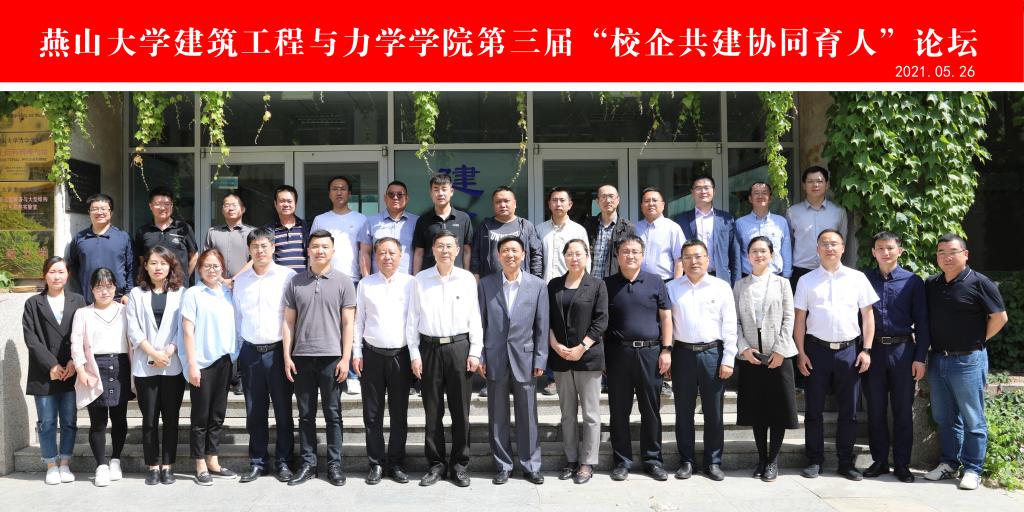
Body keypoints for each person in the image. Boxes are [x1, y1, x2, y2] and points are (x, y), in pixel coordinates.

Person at [923, 233, 1007, 491]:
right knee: (944, 417)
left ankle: (973, 469)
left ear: (965, 254)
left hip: (968, 360)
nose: (946, 257)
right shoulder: (932, 284)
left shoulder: (980, 282)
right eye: (941, 252)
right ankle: (949, 463)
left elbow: (1000, 317)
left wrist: (978, 340)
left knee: (972, 417)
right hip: (938, 359)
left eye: (953, 252)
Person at [794, 229, 877, 481]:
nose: (829, 248)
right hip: (816, 350)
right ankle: (814, 460)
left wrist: (866, 350)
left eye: (834, 244)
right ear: (817, 249)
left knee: (849, 410)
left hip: (849, 352)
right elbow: (800, 320)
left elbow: (868, 316)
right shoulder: (806, 281)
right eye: (824, 244)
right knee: (813, 410)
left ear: (842, 248)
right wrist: (800, 353)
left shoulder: (857, 278)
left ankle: (846, 462)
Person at [406, 230, 483, 487]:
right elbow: (412, 319)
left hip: (459, 347)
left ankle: (460, 465)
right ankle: (436, 465)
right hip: (429, 349)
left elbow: (475, 316)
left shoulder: (466, 279)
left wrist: (475, 351)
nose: (445, 251)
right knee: (432, 411)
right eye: (440, 246)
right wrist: (414, 354)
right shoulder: (420, 279)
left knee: (460, 412)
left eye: (450, 246)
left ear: (458, 250)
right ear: (433, 250)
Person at [282, 230, 356, 486]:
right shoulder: (295, 282)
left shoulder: (344, 282)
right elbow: (288, 322)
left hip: (332, 358)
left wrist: (346, 358)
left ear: (332, 251)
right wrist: (287, 356)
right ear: (308, 250)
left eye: (325, 246)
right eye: (315, 246)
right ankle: (308, 464)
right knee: (305, 415)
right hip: (302, 357)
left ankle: (334, 464)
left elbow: (348, 323)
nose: (320, 251)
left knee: (333, 414)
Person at [478, 236, 549, 485]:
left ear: (523, 255)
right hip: (495, 356)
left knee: (528, 414)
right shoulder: (486, 284)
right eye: (505, 251)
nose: (510, 255)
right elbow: (480, 322)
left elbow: (542, 325)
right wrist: (481, 355)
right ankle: (503, 465)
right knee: (497, 415)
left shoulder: (537, 285)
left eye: (515, 251)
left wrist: (540, 358)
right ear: (498, 256)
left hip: (526, 358)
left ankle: (531, 465)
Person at [862, 232, 930, 483]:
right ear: (873, 252)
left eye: (890, 248)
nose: (885, 252)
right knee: (875, 409)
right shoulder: (864, 279)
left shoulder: (913, 281)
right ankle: (879, 461)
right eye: (880, 248)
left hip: (903, 352)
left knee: (902, 410)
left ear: (899, 251)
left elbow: (922, 322)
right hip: (873, 351)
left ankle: (902, 463)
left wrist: (920, 357)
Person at [667, 239, 738, 481]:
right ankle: (686, 460)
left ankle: (713, 462)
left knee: (714, 412)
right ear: (681, 261)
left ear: (708, 259)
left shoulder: (721, 287)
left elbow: (730, 324)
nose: (693, 261)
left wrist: (728, 358)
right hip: (682, 354)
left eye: (698, 256)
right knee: (683, 411)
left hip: (712, 353)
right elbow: (667, 325)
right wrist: (667, 355)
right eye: (687, 257)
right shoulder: (672, 288)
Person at [604, 235, 673, 482]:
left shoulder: (655, 281)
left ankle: (653, 461)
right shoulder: (606, 284)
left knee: (651, 410)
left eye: (635, 251)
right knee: (618, 410)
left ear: (643, 256)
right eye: (625, 251)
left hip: (650, 353)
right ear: (617, 255)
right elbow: (601, 323)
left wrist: (666, 349)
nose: (630, 256)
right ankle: (622, 462)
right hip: (618, 354)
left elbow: (666, 317)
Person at [232, 227, 297, 484]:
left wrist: (290, 353)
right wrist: (239, 352)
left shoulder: (287, 277)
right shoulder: (241, 281)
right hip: (250, 353)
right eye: (255, 246)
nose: (260, 251)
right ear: (249, 250)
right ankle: (258, 462)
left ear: (273, 248)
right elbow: (237, 318)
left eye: (264, 246)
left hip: (278, 352)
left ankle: (284, 462)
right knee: (254, 412)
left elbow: (293, 317)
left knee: (283, 411)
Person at [733, 236, 798, 482]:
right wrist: (744, 349)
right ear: (747, 256)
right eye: (754, 251)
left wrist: (780, 350)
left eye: (763, 251)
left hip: (779, 355)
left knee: (778, 410)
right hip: (752, 357)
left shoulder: (783, 283)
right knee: (757, 410)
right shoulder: (740, 285)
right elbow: (735, 322)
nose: (759, 255)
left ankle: (773, 460)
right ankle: (761, 458)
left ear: (771, 255)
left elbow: (789, 319)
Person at [352, 237, 415, 485]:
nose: (387, 257)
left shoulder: (411, 283)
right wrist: (357, 353)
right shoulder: (366, 284)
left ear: (401, 256)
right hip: (372, 355)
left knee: (399, 413)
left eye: (392, 252)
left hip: (401, 355)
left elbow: (414, 321)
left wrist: (415, 355)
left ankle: (397, 463)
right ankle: (376, 463)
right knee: (372, 414)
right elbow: (358, 321)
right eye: (382, 253)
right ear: (375, 256)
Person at [547, 239, 607, 485]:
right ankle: (571, 459)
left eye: (578, 254)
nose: (574, 258)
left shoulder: (597, 285)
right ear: (564, 257)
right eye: (569, 254)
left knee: (591, 414)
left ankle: (587, 462)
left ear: (587, 256)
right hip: (561, 357)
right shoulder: (553, 285)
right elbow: (547, 320)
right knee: (567, 414)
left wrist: (582, 347)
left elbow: (601, 321)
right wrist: (555, 345)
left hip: (588, 358)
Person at [126, 246, 187, 485]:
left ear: (171, 266)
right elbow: (133, 328)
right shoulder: (136, 294)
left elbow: (183, 327)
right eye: (153, 263)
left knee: (171, 418)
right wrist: (153, 352)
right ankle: (152, 465)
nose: (158, 267)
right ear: (146, 266)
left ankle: (168, 465)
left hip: (172, 363)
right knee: (149, 419)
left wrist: (169, 350)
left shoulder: (181, 293)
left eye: (163, 263)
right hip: (145, 363)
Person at [23, 256, 86, 485]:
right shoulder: (33, 303)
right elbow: (31, 338)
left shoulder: (78, 300)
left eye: (61, 272)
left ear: (68, 275)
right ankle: (50, 463)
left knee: (69, 420)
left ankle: (65, 463)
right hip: (44, 372)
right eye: (52, 272)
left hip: (70, 370)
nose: (57, 276)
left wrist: (73, 362)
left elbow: (83, 333)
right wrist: (51, 364)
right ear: (44, 275)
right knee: (47, 421)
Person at [179, 249, 239, 485]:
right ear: (199, 269)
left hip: (224, 359)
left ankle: (213, 459)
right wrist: (192, 364)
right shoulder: (193, 294)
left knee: (217, 414)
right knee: (200, 416)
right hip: (202, 362)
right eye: (207, 266)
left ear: (222, 268)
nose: (212, 270)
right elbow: (187, 331)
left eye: (216, 266)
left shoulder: (228, 293)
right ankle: (200, 463)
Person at [70, 267, 131, 487]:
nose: (104, 291)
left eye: (109, 286)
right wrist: (81, 370)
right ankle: (101, 465)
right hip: (95, 368)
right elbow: (76, 343)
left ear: (115, 287)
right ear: (91, 289)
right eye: (99, 287)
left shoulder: (125, 310)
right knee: (98, 422)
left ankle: (115, 460)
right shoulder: (82, 313)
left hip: (121, 366)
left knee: (120, 418)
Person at [311, 175, 368, 395]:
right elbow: (313, 251)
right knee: (327, 326)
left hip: (352, 279)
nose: (339, 192)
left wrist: (364, 278)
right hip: (325, 279)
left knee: (351, 327)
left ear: (349, 193)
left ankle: (352, 375)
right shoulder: (320, 219)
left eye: (343, 188)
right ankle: (325, 374)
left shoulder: (361, 219)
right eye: (335, 188)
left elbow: (365, 252)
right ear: (329, 193)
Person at [786, 166, 848, 291]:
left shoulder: (838, 211)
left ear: (827, 184)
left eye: (819, 181)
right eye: (810, 181)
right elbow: (789, 243)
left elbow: (842, 241)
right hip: (801, 271)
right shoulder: (792, 212)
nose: (815, 185)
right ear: (804, 185)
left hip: (831, 270)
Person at [65, 193, 134, 304]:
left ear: (111, 212)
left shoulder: (123, 237)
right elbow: (73, 267)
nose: (99, 212)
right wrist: (78, 294)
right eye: (95, 209)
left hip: (118, 299)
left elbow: (131, 267)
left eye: (103, 209)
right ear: (89, 212)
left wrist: (128, 293)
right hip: (87, 300)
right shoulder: (80, 238)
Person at [674, 175, 741, 284]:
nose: (703, 191)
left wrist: (736, 282)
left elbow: (735, 253)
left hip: (720, 278)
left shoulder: (726, 219)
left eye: (706, 188)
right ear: (692, 192)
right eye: (698, 188)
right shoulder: (682, 220)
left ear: (713, 191)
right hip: (691, 279)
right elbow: (677, 253)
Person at [471, 186, 543, 279]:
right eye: (498, 202)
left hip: (521, 282)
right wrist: (475, 275)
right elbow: (475, 255)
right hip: (490, 282)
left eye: (506, 201)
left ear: (515, 203)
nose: (502, 205)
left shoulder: (526, 226)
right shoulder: (484, 227)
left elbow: (536, 254)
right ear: (493, 205)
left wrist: (536, 278)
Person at [412, 173, 473, 273]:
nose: (440, 193)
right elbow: (419, 252)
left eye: (444, 189)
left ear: (451, 192)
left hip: (457, 276)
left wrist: (467, 274)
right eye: (436, 189)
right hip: (430, 276)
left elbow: (467, 250)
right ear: (431, 193)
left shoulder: (463, 218)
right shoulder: (423, 220)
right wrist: (416, 276)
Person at [134, 186, 199, 280]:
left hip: (178, 285)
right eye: (158, 204)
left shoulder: (184, 228)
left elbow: (194, 256)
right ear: (150, 206)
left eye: (167, 204)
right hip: (152, 285)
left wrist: (185, 278)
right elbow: (142, 260)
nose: (163, 208)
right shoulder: (142, 231)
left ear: (172, 205)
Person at [358, 180, 419, 276]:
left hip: (408, 280)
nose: (395, 198)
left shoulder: (416, 222)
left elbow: (419, 253)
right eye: (391, 194)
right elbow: (365, 253)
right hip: (378, 280)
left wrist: (416, 279)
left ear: (406, 199)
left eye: (400, 195)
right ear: (385, 198)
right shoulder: (371, 222)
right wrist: (366, 279)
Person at [735, 181, 792, 278]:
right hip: (748, 277)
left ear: (770, 198)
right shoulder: (740, 223)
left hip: (776, 277)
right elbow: (737, 254)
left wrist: (786, 277)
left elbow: (786, 251)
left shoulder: (781, 222)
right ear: (750, 198)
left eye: (764, 193)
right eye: (756, 193)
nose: (760, 196)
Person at [582, 184, 635, 280]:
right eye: (603, 197)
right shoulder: (588, 225)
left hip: (615, 283)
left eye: (611, 196)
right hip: (590, 282)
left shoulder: (627, 228)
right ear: (597, 201)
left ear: (618, 200)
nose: (608, 200)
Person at [538, 187, 590, 284]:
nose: (558, 204)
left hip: (570, 286)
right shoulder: (539, 230)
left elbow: (586, 260)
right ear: (549, 204)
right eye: (554, 200)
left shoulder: (578, 231)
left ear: (570, 205)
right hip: (544, 285)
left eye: (562, 200)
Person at [635, 187, 684, 281]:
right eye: (647, 201)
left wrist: (676, 284)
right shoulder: (635, 228)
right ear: (641, 206)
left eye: (655, 200)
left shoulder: (672, 228)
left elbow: (679, 259)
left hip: (665, 282)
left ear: (663, 205)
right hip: (638, 282)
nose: (651, 204)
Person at [205, 192, 255, 281]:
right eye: (227, 205)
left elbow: (255, 259)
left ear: (243, 209)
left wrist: (235, 279)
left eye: (234, 205)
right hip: (217, 284)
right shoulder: (213, 232)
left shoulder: (252, 232)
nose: (231, 209)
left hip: (245, 282)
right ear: (222, 210)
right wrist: (222, 281)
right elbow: (206, 260)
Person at [266, 185, 311, 273]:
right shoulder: (268, 230)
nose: (286, 204)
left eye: (289, 201)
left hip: (303, 279)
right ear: (275, 204)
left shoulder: (306, 227)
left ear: (295, 204)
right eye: (282, 201)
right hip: (279, 279)